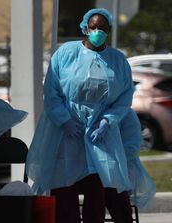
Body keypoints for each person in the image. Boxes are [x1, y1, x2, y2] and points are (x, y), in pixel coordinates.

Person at [25, 8, 134, 223]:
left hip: (99, 134)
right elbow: (52, 90)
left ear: (108, 31)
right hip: (66, 132)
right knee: (64, 186)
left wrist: (107, 120)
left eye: (102, 28)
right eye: (93, 27)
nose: (97, 31)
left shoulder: (118, 60)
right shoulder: (66, 54)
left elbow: (124, 96)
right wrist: (63, 119)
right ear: (85, 28)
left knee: (97, 186)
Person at [105, 108, 156, 223]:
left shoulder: (127, 114)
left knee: (113, 186)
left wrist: (109, 164)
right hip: (90, 171)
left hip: (121, 168)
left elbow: (131, 147)